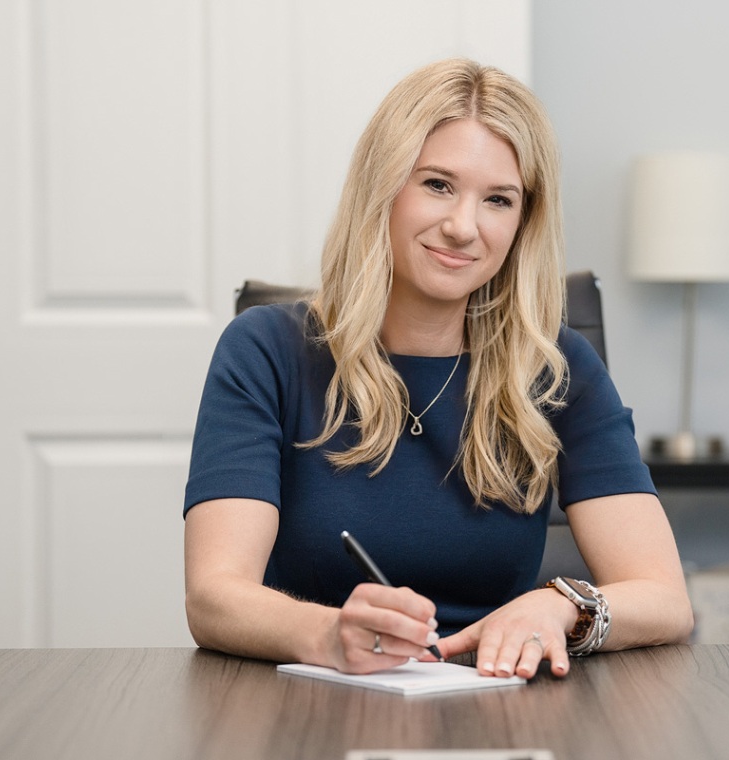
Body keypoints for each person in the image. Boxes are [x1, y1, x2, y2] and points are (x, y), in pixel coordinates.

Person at [183, 58, 692, 679]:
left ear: (522, 225)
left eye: (498, 200)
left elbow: (665, 598)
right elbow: (214, 597)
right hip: (312, 698)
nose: (462, 227)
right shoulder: (266, 349)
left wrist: (561, 607)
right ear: (384, 187)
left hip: (499, 701)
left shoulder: (556, 368)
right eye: (437, 185)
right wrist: (328, 634)